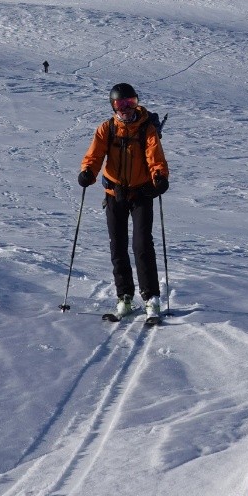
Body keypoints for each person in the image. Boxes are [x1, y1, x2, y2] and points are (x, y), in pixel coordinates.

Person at [78, 83, 168, 319]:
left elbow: (154, 156)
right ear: (113, 106)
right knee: (117, 245)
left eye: (131, 103)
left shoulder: (146, 129)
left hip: (141, 193)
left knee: (141, 245)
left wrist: (159, 177)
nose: (126, 109)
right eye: (120, 104)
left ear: (137, 103)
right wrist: (88, 172)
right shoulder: (106, 129)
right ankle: (124, 296)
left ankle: (151, 298)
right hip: (114, 194)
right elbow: (95, 155)